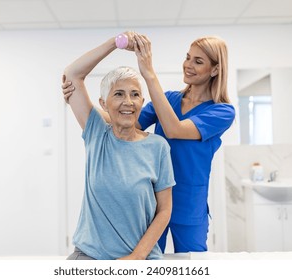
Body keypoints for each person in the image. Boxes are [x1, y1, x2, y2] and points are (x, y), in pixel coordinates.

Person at [63, 32, 235, 253]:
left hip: (188, 203)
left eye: (198, 61)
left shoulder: (221, 111)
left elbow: (174, 130)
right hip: (152, 200)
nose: (188, 65)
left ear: (215, 69)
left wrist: (148, 73)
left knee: (193, 264)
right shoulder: (169, 99)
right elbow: (126, 120)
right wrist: (82, 104)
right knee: (148, 262)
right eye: (188, 57)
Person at [62, 33, 175, 260]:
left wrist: (135, 258)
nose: (128, 102)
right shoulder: (96, 133)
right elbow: (72, 74)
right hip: (91, 256)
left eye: (135, 95)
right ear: (103, 103)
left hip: (141, 258)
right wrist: (115, 43)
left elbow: (164, 211)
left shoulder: (158, 147)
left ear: (142, 102)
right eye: (119, 94)